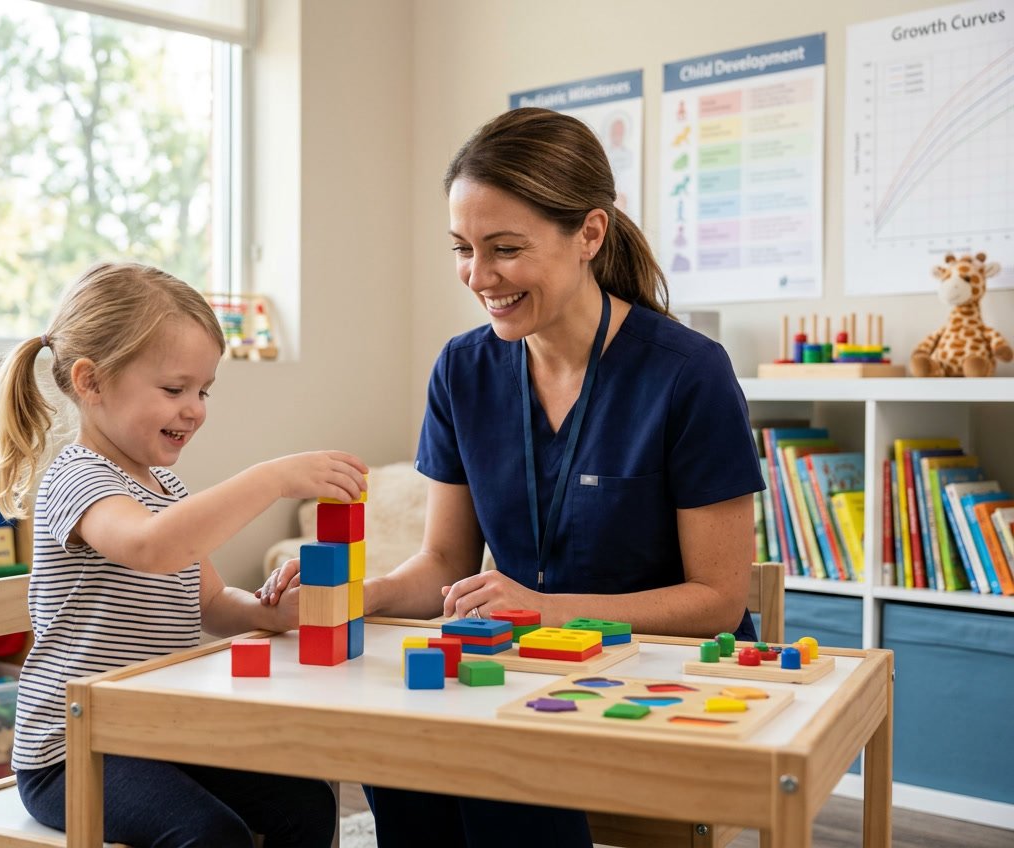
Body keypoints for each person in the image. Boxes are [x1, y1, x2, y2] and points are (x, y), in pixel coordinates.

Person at [261, 107, 764, 847]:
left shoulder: (688, 373)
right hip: (526, 664)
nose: (478, 276)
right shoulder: (462, 370)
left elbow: (718, 601)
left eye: (505, 249)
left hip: (659, 672)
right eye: (462, 249)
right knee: (395, 752)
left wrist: (546, 608)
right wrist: (342, 598)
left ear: (590, 234)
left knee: (504, 770)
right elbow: (444, 565)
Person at [0, 262, 368, 848]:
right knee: (209, 835)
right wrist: (271, 478)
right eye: (174, 389)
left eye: (203, 390)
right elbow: (151, 548)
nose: (196, 409)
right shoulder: (78, 479)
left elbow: (210, 600)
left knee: (307, 801)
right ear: (91, 382)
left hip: (157, 734)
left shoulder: (166, 491)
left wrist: (270, 610)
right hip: (72, 753)